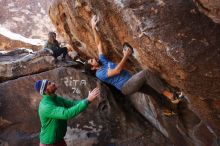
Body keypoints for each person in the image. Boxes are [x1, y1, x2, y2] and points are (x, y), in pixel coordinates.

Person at [84, 15, 183, 105]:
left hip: (131, 79)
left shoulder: (102, 61)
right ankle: (172, 96)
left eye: (92, 59)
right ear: (93, 68)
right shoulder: (100, 73)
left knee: (153, 90)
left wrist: (93, 28)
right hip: (126, 87)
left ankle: (167, 109)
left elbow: (98, 44)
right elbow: (117, 71)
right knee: (146, 73)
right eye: (91, 61)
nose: (94, 59)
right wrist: (126, 55)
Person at [34, 79, 100, 146]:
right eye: (49, 83)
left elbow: (72, 104)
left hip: (59, 140)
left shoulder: (56, 98)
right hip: (48, 143)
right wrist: (87, 101)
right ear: (45, 91)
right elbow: (66, 114)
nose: (53, 83)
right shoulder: (46, 106)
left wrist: (87, 99)